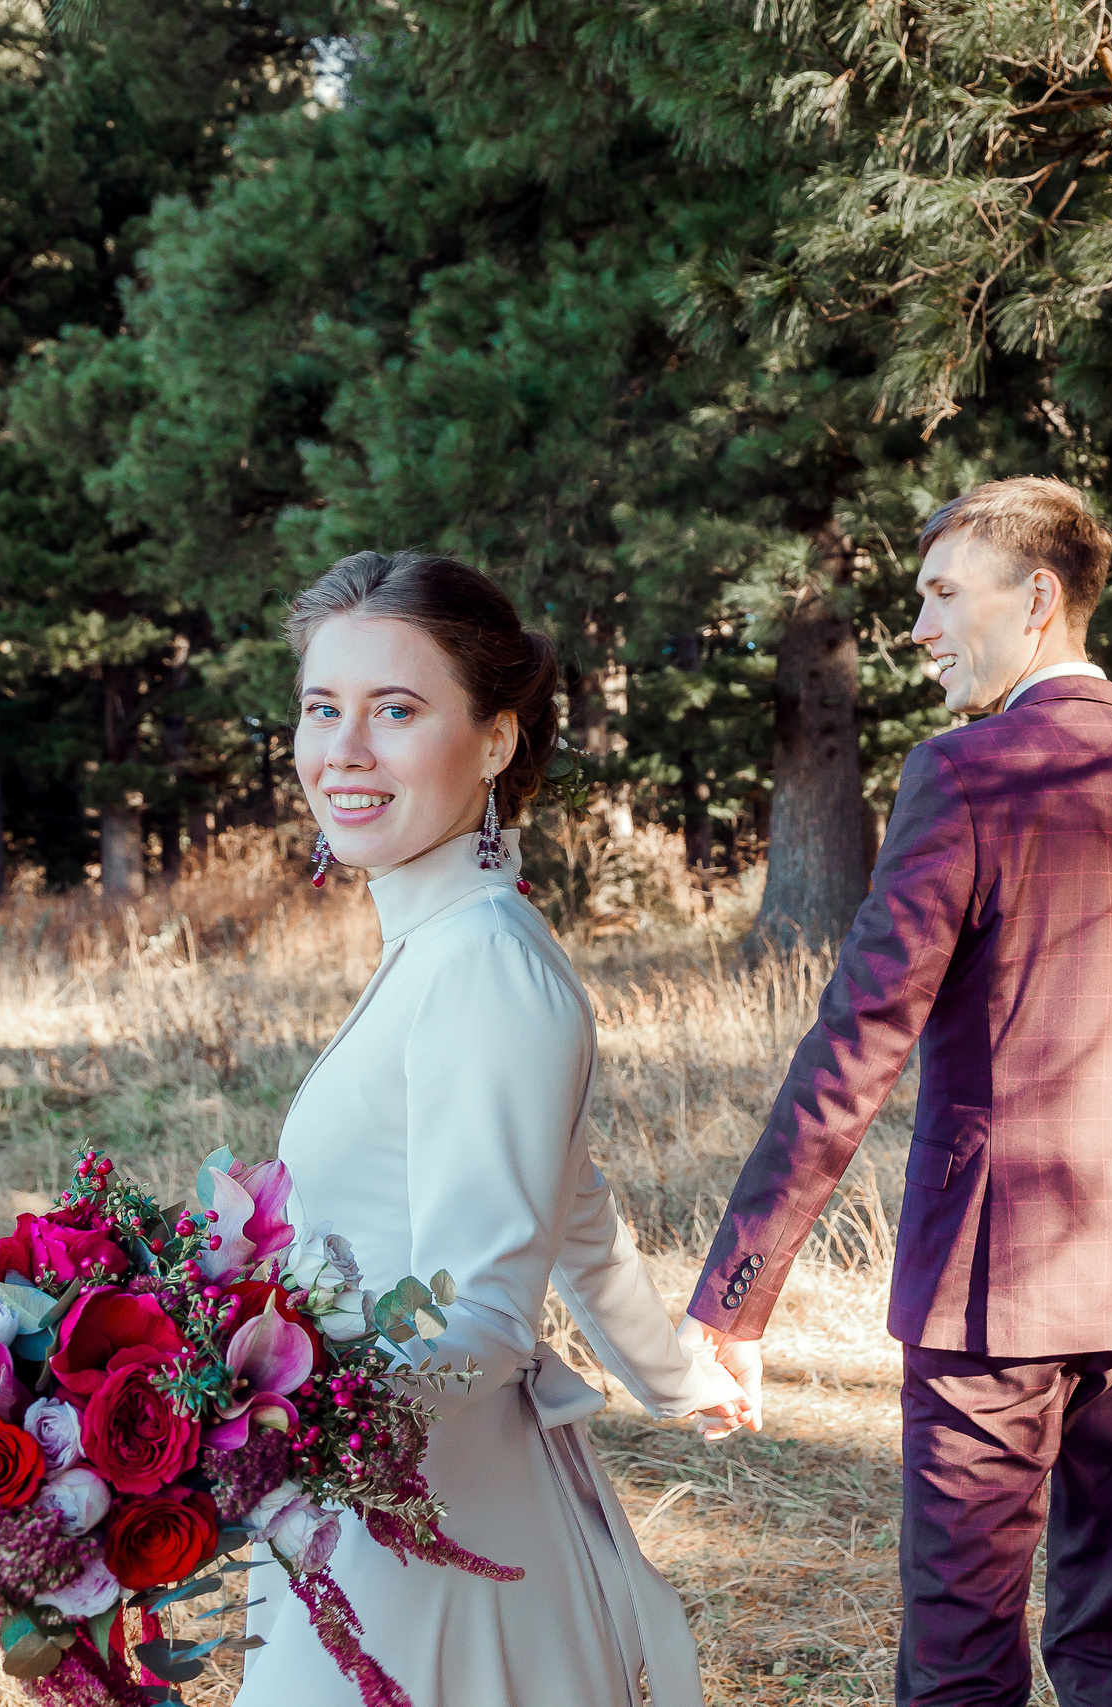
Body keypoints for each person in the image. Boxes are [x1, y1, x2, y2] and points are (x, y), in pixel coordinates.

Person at [679, 477, 1112, 1706]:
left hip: (988, 1291)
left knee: (961, 1654)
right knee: (1105, 1635)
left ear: (1038, 597)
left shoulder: (964, 774)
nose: (920, 627)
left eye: (944, 594)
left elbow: (857, 1038)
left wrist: (738, 1294)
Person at [236, 550, 746, 1707]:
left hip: (418, 1523)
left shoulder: (484, 967)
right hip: (371, 1504)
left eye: (395, 711)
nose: (341, 751)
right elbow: (573, 1205)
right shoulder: (447, 947)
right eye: (321, 708)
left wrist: (242, 1425)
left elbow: (481, 1314)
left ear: (497, 740)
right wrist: (674, 1377)